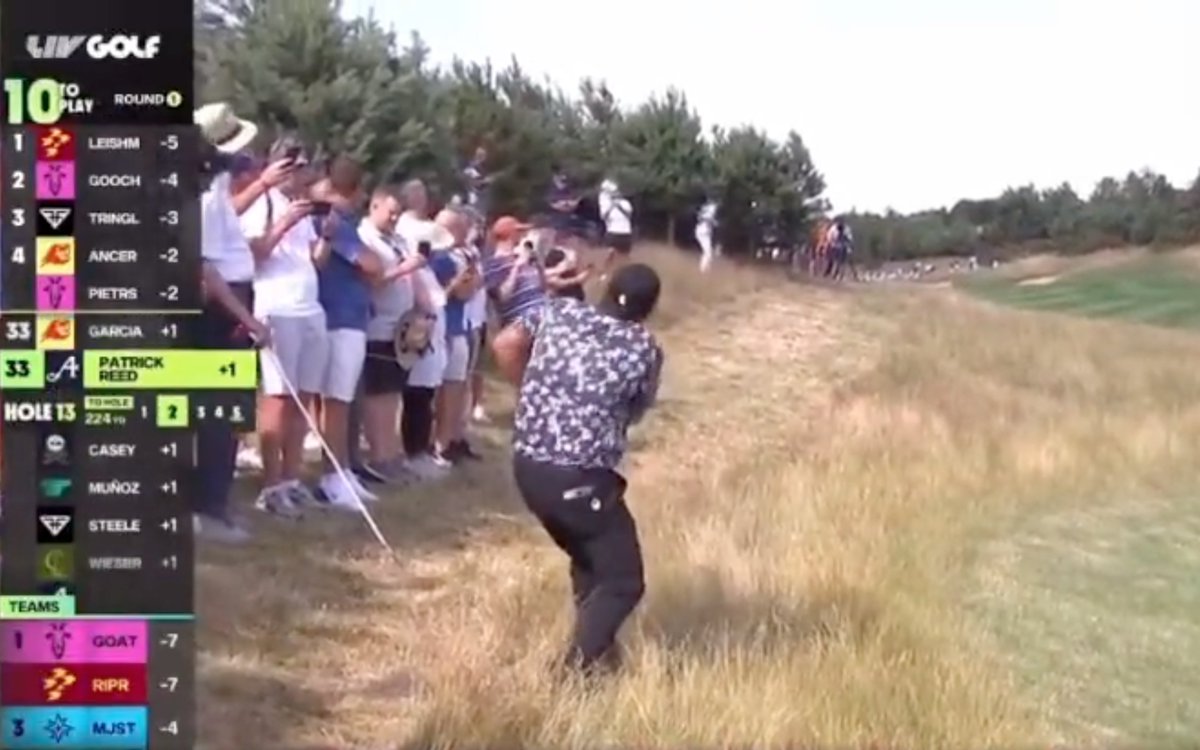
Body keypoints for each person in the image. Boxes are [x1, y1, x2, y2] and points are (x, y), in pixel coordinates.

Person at [502, 263, 665, 675]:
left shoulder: (557, 312)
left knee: (592, 561)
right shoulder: (642, 349)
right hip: (580, 479)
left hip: (528, 467)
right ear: (649, 308)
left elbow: (506, 343)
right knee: (624, 582)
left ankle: (600, 660)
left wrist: (533, 394)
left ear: (606, 289)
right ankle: (571, 674)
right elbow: (637, 409)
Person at [237, 136, 329, 518]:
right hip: (278, 307)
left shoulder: (299, 206)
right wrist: (284, 223)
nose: (301, 174)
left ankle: (291, 479)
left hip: (311, 308)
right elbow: (254, 254)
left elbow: (311, 261)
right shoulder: (261, 203)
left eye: (304, 166)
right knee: (278, 397)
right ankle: (271, 485)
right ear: (278, 166)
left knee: (304, 398)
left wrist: (325, 234)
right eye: (294, 166)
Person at [193, 102, 273, 543]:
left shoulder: (218, 187)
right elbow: (204, 269)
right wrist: (247, 319)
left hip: (234, 303)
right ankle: (207, 508)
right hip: (218, 311)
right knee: (216, 409)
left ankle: (215, 502)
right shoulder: (201, 195)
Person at [311, 157, 384, 507]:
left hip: (349, 318)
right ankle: (332, 477)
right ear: (355, 190)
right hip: (338, 318)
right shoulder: (335, 220)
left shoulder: (346, 220)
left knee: (341, 400)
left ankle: (341, 472)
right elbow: (371, 265)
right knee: (336, 403)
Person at [357, 185, 427, 483]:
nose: (395, 218)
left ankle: (389, 453)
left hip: (401, 328)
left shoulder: (396, 239)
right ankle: (378, 456)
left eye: (398, 212)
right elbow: (371, 282)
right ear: (374, 207)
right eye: (390, 212)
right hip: (377, 326)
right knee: (377, 394)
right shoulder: (366, 238)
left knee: (392, 394)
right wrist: (403, 269)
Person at [482, 216, 589, 385]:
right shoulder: (494, 264)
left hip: (544, 308)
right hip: (523, 316)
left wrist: (536, 264)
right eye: (520, 232)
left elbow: (542, 286)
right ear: (512, 235)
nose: (524, 236)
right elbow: (503, 296)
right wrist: (517, 267)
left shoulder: (525, 257)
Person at [395, 179, 451, 478]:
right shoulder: (404, 229)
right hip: (419, 313)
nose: (422, 198)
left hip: (434, 307)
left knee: (429, 383)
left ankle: (423, 447)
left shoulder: (429, 229)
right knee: (417, 384)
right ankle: (413, 451)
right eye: (416, 193)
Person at [429, 209, 483, 461]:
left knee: (456, 387)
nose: (465, 232)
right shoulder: (441, 258)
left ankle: (448, 440)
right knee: (443, 389)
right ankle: (437, 441)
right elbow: (457, 293)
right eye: (459, 227)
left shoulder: (463, 255)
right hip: (444, 328)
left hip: (459, 326)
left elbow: (473, 288)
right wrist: (464, 281)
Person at [598, 179, 633, 274]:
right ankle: (604, 273)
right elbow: (603, 216)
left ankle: (625, 272)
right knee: (610, 253)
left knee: (625, 256)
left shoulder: (625, 203)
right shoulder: (605, 203)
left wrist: (618, 205)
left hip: (626, 232)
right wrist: (611, 205)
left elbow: (629, 214)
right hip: (612, 232)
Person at [695, 197, 718, 272]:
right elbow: (708, 219)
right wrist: (714, 223)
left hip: (702, 230)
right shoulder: (711, 208)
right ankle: (703, 270)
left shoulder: (705, 207)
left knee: (708, 252)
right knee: (708, 253)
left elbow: (700, 217)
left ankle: (706, 269)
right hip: (703, 231)